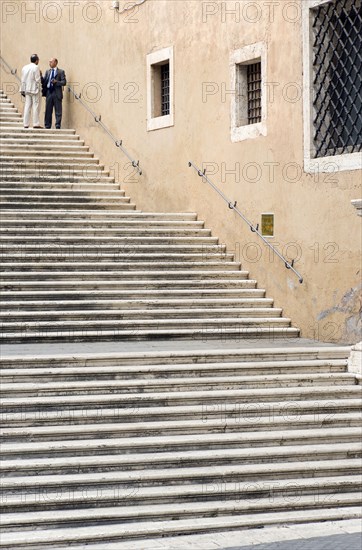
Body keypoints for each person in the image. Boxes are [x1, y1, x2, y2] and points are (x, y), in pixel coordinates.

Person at [42, 58, 66, 129]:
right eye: (49, 62)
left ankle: (58, 125)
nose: (49, 63)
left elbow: (64, 82)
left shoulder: (61, 72)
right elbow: (44, 82)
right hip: (49, 92)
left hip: (57, 93)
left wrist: (56, 82)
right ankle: (47, 125)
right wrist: (40, 77)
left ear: (55, 62)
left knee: (58, 110)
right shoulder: (47, 71)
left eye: (51, 62)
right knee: (48, 110)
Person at [20, 54, 42, 129]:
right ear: (36, 60)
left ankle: (25, 124)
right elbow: (38, 80)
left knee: (27, 107)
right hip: (35, 90)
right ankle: (35, 123)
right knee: (36, 107)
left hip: (27, 90)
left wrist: (22, 90)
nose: (38, 61)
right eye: (38, 60)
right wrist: (40, 89)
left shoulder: (24, 67)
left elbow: (22, 79)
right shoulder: (36, 67)